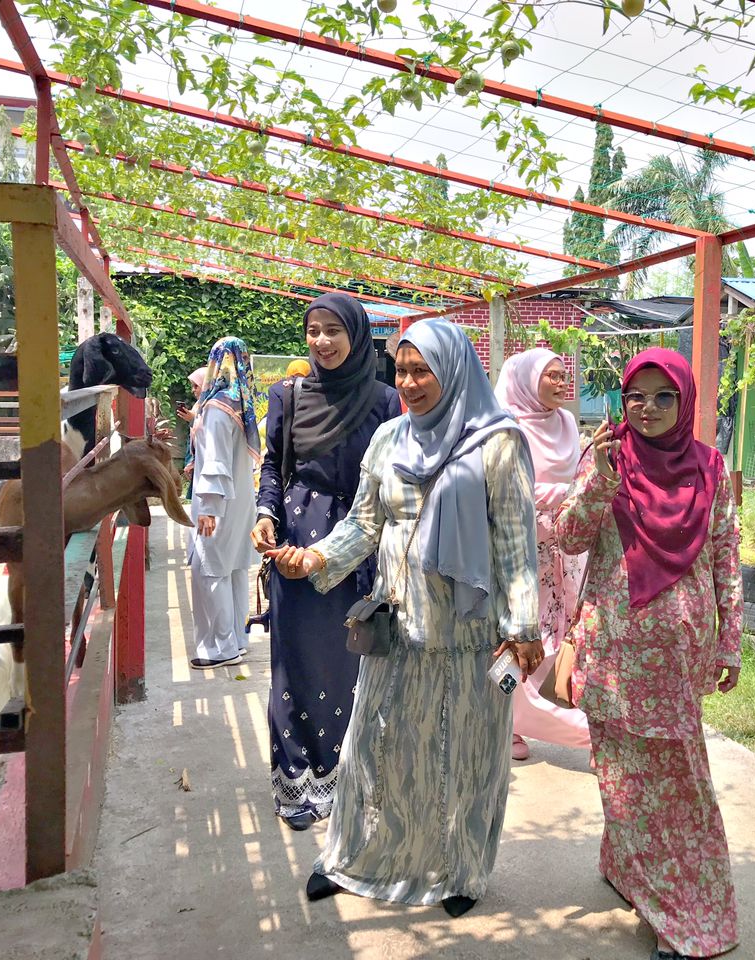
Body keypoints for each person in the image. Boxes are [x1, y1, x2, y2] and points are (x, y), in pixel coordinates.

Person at [269, 318, 541, 918]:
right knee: (375, 750)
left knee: (463, 757)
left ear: (454, 371)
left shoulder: (498, 442)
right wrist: (315, 557)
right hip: (399, 629)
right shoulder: (389, 438)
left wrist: (523, 627)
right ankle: (355, 859)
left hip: (469, 637)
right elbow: (365, 524)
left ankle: (462, 869)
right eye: (402, 370)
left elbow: (518, 544)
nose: (411, 382)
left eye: (424, 371)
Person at [555, 348, 742, 960]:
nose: (650, 408)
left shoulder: (709, 466)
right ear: (622, 401)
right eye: (638, 396)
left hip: (675, 654)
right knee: (622, 780)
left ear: (685, 401)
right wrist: (603, 479)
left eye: (665, 397)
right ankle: (631, 870)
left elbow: (725, 556)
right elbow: (568, 537)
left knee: (679, 786)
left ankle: (690, 914)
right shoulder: (606, 460)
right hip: (611, 646)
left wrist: (731, 641)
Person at [250, 293, 400, 831]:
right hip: (296, 540)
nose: (322, 342)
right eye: (313, 330)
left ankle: (344, 777)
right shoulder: (287, 395)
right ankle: (294, 780)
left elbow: (390, 477)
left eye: (334, 330)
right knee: (293, 663)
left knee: (350, 663)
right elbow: (273, 464)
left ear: (357, 335)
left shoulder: (384, 400)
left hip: (358, 539)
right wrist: (266, 512)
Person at [494, 348, 591, 760]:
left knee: (566, 631)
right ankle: (508, 720)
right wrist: (565, 494)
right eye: (550, 375)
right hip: (523, 547)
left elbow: (582, 473)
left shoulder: (568, 421)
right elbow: (507, 489)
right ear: (526, 382)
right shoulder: (507, 427)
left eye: (563, 374)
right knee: (520, 634)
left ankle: (541, 713)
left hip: (567, 547)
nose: (560, 382)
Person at [187, 338, 260, 670]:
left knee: (210, 571)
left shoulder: (217, 409)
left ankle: (221, 646)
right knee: (233, 570)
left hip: (219, 507)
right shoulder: (240, 405)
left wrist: (210, 510)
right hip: (241, 503)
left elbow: (215, 461)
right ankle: (238, 640)